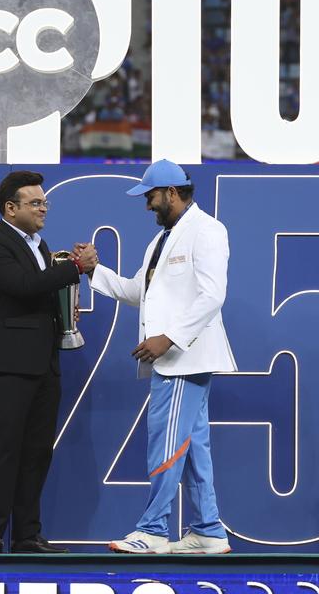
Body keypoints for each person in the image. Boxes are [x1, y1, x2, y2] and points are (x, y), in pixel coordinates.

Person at [76, 159, 235, 555]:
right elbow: (138, 292)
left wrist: (170, 339)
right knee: (193, 446)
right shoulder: (161, 240)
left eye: (151, 197)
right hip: (176, 358)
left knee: (166, 443)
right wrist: (95, 271)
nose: (148, 205)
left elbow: (213, 295)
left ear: (172, 193)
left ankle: (152, 530)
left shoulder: (208, 230)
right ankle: (208, 532)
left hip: (185, 358)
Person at [0, 170, 98, 554]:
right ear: (10, 208)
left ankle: (27, 536)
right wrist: (74, 268)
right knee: (7, 449)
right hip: (9, 364)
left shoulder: (41, 248)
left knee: (38, 451)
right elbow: (22, 288)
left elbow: (43, 295)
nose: (44, 208)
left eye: (44, 202)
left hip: (44, 363)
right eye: (35, 202)